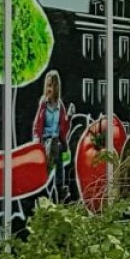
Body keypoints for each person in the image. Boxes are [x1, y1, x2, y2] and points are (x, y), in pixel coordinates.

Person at [32, 70, 74, 199]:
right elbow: (38, 123)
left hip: (56, 141)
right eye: (48, 85)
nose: (49, 89)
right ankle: (55, 186)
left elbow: (63, 128)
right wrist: (36, 138)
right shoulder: (43, 104)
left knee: (58, 147)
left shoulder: (60, 106)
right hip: (45, 140)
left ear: (56, 88)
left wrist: (69, 116)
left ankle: (58, 187)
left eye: (52, 86)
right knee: (54, 146)